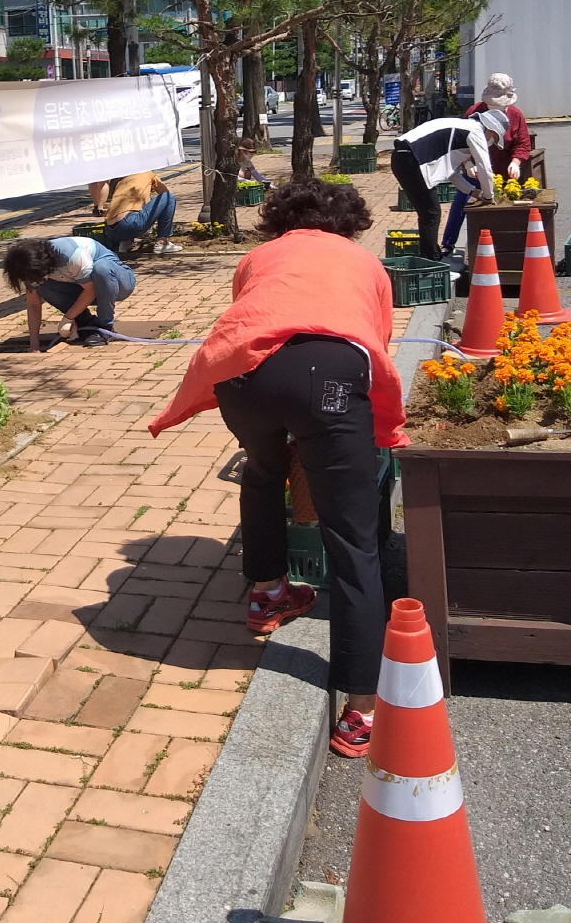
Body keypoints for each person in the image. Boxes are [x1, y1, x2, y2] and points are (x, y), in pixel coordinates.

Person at [149, 179, 408, 759]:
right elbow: (377, 341)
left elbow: (255, 312)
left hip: (243, 375)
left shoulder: (258, 256)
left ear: (280, 220)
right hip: (330, 373)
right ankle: (361, 709)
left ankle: (267, 594)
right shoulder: (366, 263)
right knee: (352, 536)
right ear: (349, 221)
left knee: (264, 472)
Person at [441, 75, 533, 253]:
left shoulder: (516, 115)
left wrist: (516, 162)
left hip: (504, 171)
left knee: (507, 208)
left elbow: (523, 143)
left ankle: (507, 246)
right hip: (475, 170)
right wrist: (467, 164)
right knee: (462, 201)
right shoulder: (474, 112)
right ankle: (448, 243)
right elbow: (461, 142)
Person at [390, 114, 499, 261]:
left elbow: (449, 172)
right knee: (431, 213)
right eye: (495, 138)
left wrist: (473, 191)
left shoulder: (459, 128)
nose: (491, 142)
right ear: (491, 130)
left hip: (400, 157)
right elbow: (485, 168)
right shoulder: (475, 131)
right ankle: (433, 261)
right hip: (411, 159)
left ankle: (431, 258)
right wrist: (488, 196)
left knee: (428, 212)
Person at [4, 235, 136, 350]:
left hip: (119, 284)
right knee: (44, 286)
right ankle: (87, 324)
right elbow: (33, 305)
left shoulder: (72, 255)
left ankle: (105, 327)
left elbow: (91, 290)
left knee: (101, 268)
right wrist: (34, 345)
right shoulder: (31, 268)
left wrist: (68, 317)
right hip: (85, 287)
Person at [101, 171, 181, 256]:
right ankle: (162, 242)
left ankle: (125, 243)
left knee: (129, 207)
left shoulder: (123, 179)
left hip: (110, 230)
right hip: (129, 224)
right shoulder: (148, 173)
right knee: (169, 198)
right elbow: (165, 193)